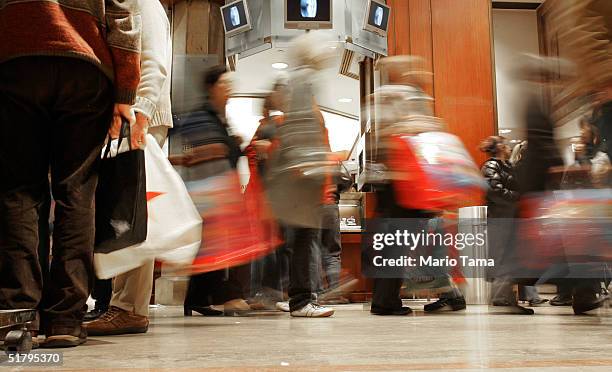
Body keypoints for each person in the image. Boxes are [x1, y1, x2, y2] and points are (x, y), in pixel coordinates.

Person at [0, 0, 141, 347]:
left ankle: (17, 315)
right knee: (77, 191)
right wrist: (125, 91)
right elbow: (123, 16)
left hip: (15, 59)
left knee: (18, 191)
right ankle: (65, 318)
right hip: (85, 65)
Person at [84, 0, 173, 336]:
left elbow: (153, 61)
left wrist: (142, 111)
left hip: (138, 118)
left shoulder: (144, 4)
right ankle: (115, 303)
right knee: (122, 208)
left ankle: (129, 308)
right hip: (130, 116)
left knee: (132, 209)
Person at [172, 66, 251, 317]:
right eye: (225, 84)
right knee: (215, 247)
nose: (229, 90)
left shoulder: (218, 117)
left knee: (212, 246)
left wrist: (234, 145)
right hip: (209, 192)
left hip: (216, 191)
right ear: (212, 87)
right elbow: (201, 149)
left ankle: (197, 299)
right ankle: (223, 296)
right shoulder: (203, 115)